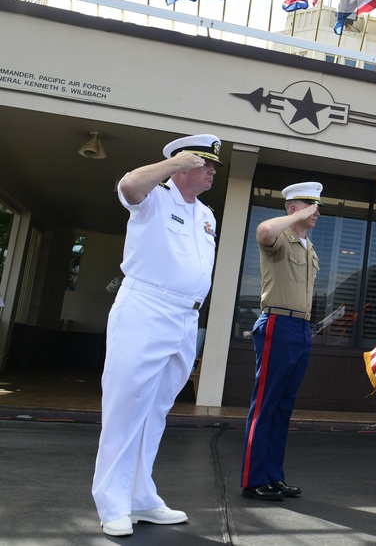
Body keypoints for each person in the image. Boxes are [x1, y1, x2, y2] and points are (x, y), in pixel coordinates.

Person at [92, 134, 223, 536]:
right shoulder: (154, 198)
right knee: (125, 406)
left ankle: (140, 496)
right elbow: (128, 186)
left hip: (186, 318)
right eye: (206, 165)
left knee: (155, 411)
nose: (213, 171)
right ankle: (112, 503)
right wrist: (170, 164)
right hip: (146, 308)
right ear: (184, 166)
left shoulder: (206, 214)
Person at [241, 182, 322, 501]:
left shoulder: (308, 246)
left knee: (283, 407)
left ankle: (273, 476)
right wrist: (295, 215)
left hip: (301, 328)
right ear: (293, 209)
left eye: (318, 207)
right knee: (265, 404)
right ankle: (253, 478)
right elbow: (263, 231)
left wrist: (302, 215)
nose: (318, 212)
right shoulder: (279, 238)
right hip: (277, 321)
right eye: (311, 206)